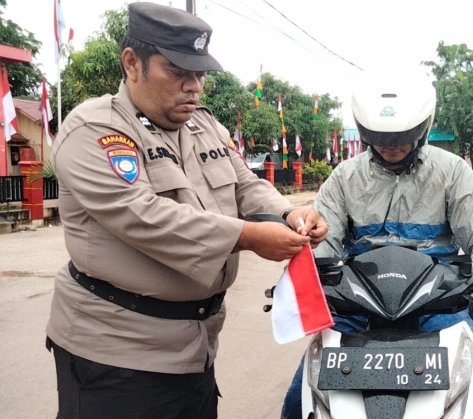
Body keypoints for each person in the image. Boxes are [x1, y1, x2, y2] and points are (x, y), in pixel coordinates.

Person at [45, 3, 327, 418]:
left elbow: (245, 184)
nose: (193, 86)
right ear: (132, 64)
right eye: (178, 72)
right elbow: (142, 214)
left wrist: (288, 214)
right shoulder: (96, 130)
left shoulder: (202, 125)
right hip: (117, 354)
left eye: (199, 75)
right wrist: (246, 236)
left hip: (195, 349)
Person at [280, 74, 473, 419]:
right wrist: (307, 266)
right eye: (380, 139)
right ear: (365, 134)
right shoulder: (345, 176)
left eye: (400, 140)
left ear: (422, 130)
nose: (390, 147)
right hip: (358, 305)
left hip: (436, 303)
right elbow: (324, 237)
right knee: (301, 394)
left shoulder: (451, 172)